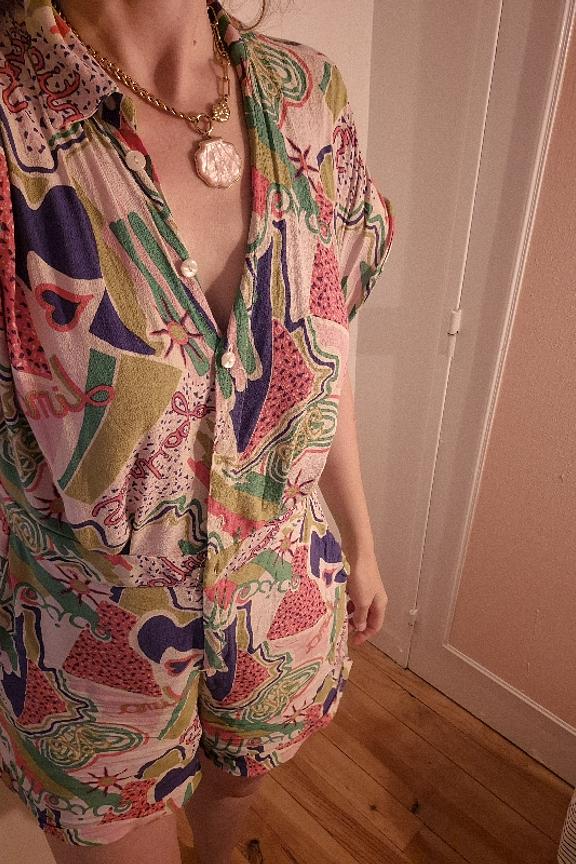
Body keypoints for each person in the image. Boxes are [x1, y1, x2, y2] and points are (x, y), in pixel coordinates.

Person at [0, 0, 395, 861]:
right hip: (88, 643)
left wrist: (362, 541)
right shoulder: (13, 122)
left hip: (283, 593)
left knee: (238, 791)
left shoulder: (308, 97)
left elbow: (318, 356)